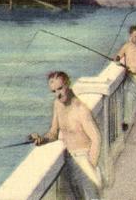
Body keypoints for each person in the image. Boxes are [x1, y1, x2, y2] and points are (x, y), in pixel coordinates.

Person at [29, 71, 102, 199]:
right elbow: (53, 133)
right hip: (69, 160)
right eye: (54, 91)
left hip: (85, 160)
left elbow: (96, 138)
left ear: (68, 84)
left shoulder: (80, 109)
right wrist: (42, 139)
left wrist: (91, 167)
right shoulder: (57, 105)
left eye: (60, 88)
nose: (58, 94)